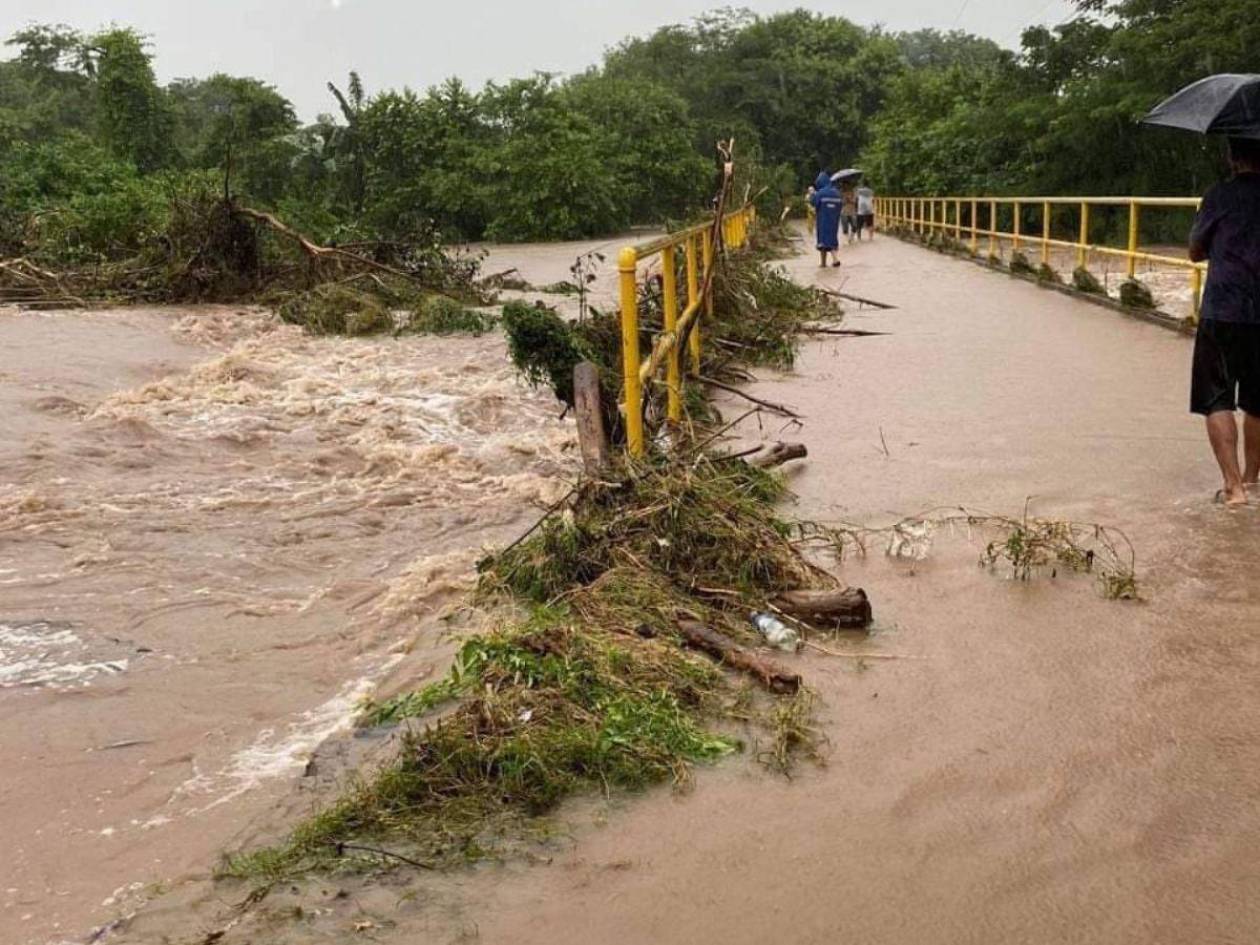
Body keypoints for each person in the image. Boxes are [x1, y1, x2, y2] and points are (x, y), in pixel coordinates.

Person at [1188, 136, 1260, 506]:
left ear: (1233, 157)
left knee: (1216, 398)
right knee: (1258, 401)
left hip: (1223, 308)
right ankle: (1252, 481)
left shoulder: (1218, 195)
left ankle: (1233, 489)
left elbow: (1194, 251)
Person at [808, 172, 842, 267]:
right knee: (832, 239)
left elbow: (813, 202)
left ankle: (826, 262)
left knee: (823, 241)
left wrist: (811, 193)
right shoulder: (837, 193)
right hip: (834, 221)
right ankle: (833, 260)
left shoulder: (820, 193)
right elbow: (840, 206)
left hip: (823, 221)